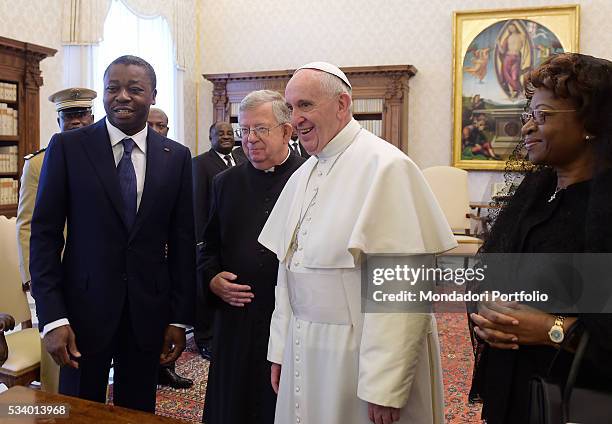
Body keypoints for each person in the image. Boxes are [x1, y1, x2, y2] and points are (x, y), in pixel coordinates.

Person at [258, 62, 456, 424]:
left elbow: (402, 285)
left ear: (342, 104)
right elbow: (288, 275)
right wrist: (280, 349)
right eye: (291, 107)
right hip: (305, 345)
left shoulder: (386, 167)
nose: (296, 119)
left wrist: (386, 384)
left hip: (358, 353)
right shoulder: (304, 173)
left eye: (306, 105)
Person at [30, 55, 195, 412]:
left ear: (153, 94)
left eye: (135, 89)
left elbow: (183, 242)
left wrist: (178, 318)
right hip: (81, 315)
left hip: (147, 313)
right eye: (113, 88)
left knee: (136, 411)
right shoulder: (68, 148)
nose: (122, 96)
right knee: (79, 412)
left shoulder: (177, 157)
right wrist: (53, 317)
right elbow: (44, 236)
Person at [469, 53, 612, 423]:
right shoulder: (534, 195)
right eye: (527, 116)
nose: (528, 128)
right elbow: (489, 271)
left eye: (543, 116)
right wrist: (487, 308)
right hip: (513, 388)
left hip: (578, 399)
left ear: (591, 124)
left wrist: (553, 330)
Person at [201, 90, 304, 424]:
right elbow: (208, 247)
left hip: (290, 317)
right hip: (237, 320)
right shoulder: (224, 183)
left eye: (261, 129)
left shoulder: (309, 179)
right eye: (244, 130)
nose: (249, 139)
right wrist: (212, 279)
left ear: (287, 132)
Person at [16, 87, 96, 394]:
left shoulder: (111, 158)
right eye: (69, 116)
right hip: (57, 274)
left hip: (97, 275)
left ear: (92, 116)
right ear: (59, 120)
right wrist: (32, 279)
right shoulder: (38, 164)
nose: (76, 122)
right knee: (59, 359)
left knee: (92, 356)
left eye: (82, 115)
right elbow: (27, 226)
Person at [145, 106, 194, 390]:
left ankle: (165, 367)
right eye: (150, 124)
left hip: (164, 262)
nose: (155, 130)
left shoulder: (176, 156)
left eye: (160, 125)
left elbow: (182, 225)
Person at [192, 121, 246, 360]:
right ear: (210, 137)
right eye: (219, 133)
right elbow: (198, 204)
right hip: (210, 240)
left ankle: (223, 335)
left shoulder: (241, 159)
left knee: (227, 290)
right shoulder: (200, 163)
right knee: (207, 290)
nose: (225, 137)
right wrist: (201, 241)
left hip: (234, 239)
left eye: (229, 133)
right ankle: (205, 339)